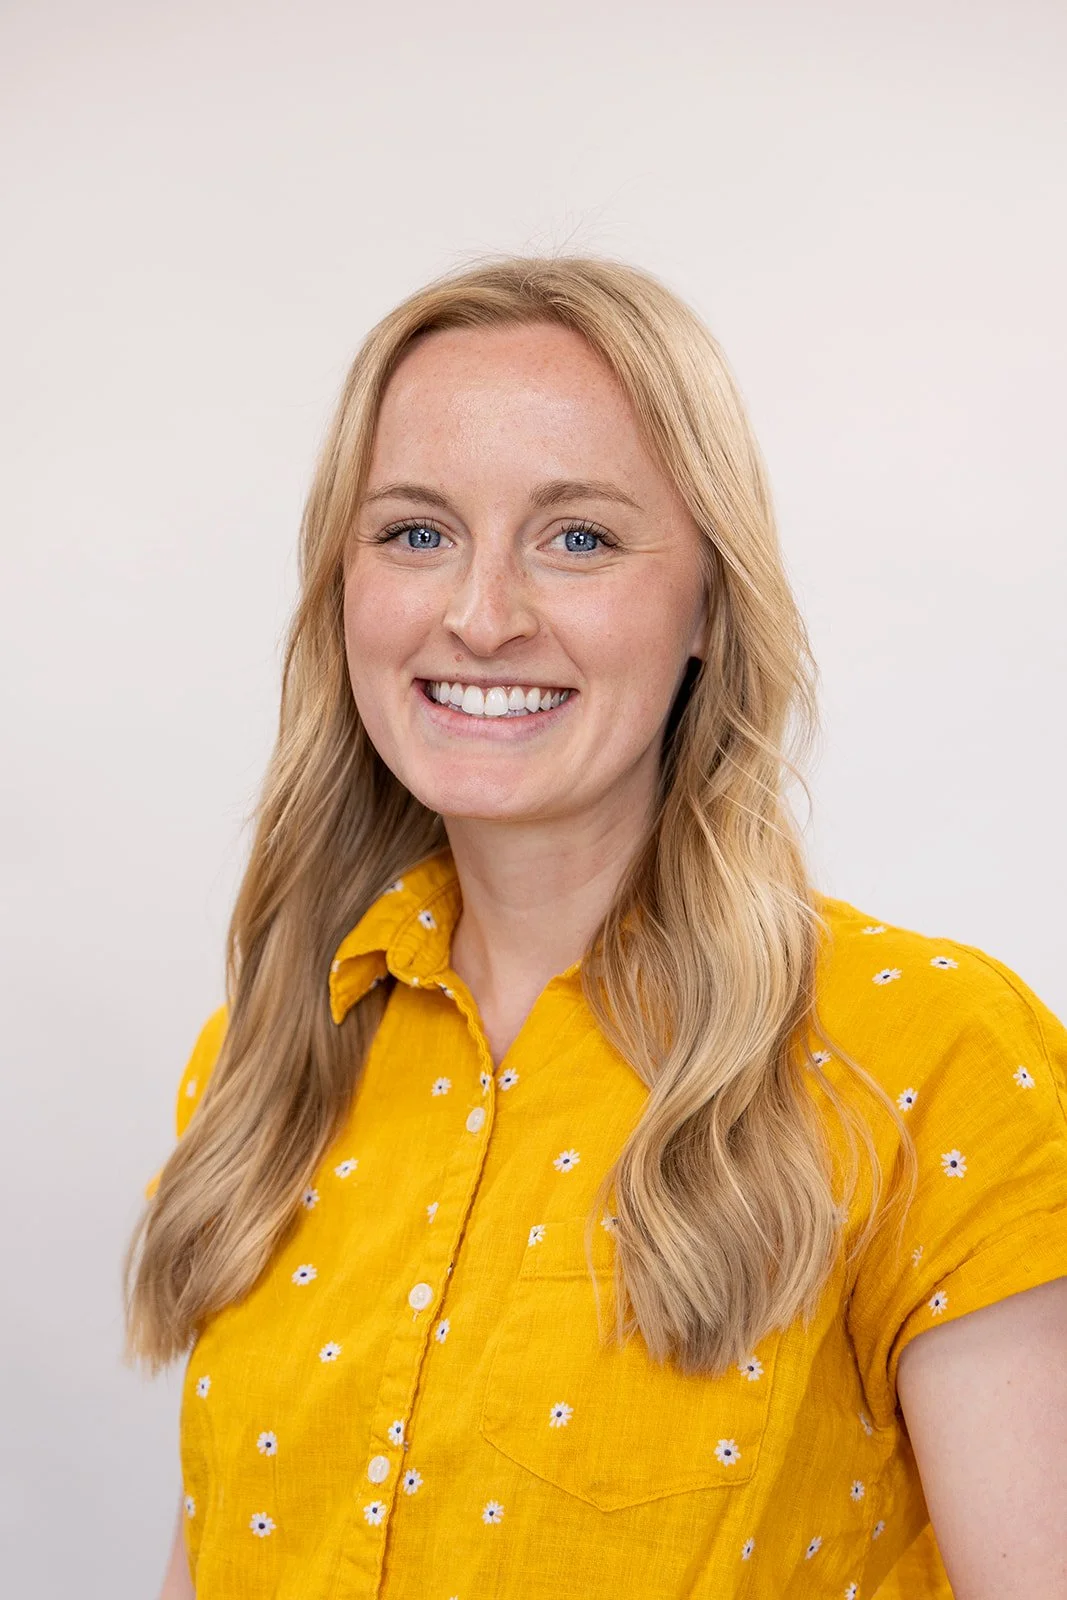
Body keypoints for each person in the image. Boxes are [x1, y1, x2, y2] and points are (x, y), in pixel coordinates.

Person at [126, 255, 1067, 1600]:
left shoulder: (928, 1058)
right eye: (412, 532)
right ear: (343, 590)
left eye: (577, 538)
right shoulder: (272, 1056)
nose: (481, 613)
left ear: (705, 604)